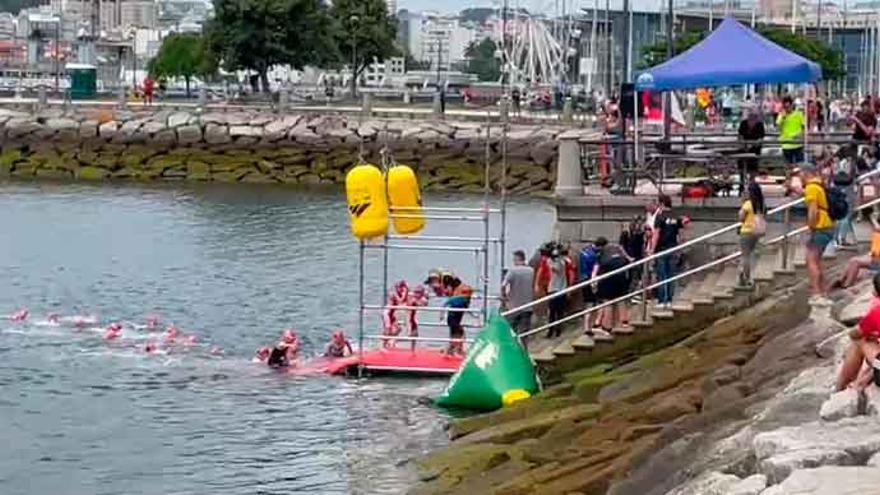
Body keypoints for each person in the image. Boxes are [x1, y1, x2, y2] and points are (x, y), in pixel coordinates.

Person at [836, 272, 880, 391]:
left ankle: (840, 387)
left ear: (876, 292)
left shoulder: (877, 312)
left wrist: (870, 333)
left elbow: (854, 334)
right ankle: (861, 381)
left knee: (860, 341)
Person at [801, 163, 836, 306]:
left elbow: (813, 211)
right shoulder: (819, 185)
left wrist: (810, 228)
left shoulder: (811, 188)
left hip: (820, 227)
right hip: (827, 226)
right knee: (817, 261)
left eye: (800, 173)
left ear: (806, 173)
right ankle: (823, 292)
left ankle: (816, 294)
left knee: (810, 260)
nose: (799, 176)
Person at [649, 195, 687, 308]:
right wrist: (680, 247)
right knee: (671, 275)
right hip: (673, 248)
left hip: (661, 249)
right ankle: (670, 299)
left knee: (662, 275)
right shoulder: (675, 215)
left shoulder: (660, 216)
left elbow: (656, 234)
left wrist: (651, 250)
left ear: (661, 203)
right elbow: (681, 233)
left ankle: (662, 300)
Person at [832, 212, 880, 290]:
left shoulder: (878, 231)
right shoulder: (877, 233)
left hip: (877, 260)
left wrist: (872, 218)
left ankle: (848, 284)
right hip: (875, 257)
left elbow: (877, 227)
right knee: (852, 260)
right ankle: (841, 280)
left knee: (855, 262)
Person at [593, 237, 632, 333]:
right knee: (621, 299)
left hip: (608, 277)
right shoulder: (618, 248)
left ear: (600, 246)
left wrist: (594, 281)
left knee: (608, 302)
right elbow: (628, 259)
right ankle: (624, 322)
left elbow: (596, 268)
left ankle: (607, 327)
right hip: (621, 276)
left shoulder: (601, 253)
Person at [738, 179, 766, 287]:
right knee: (753, 254)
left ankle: (746, 277)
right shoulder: (761, 204)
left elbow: (741, 218)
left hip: (746, 231)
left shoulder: (747, 204)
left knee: (745, 255)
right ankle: (748, 275)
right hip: (757, 231)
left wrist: (742, 202)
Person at [502, 250, 535, 336]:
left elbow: (503, 285)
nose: (513, 261)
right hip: (528, 306)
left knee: (512, 331)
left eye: (514, 259)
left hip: (514, 306)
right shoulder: (531, 271)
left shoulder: (513, 271)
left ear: (517, 259)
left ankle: (513, 344)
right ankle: (523, 344)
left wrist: (504, 297)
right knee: (524, 332)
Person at [777, 96, 805, 192]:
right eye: (785, 106)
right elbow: (778, 127)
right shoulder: (781, 115)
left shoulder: (799, 114)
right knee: (788, 168)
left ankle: (799, 185)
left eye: (788, 106)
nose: (787, 108)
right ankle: (789, 186)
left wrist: (801, 135)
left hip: (797, 144)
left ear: (792, 105)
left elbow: (803, 127)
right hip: (786, 145)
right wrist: (783, 117)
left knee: (799, 166)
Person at [737, 107, 766, 193]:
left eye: (754, 115)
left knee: (753, 169)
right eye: (750, 115)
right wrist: (744, 144)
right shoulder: (743, 123)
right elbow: (740, 136)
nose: (752, 116)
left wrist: (752, 144)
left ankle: (751, 186)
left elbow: (761, 138)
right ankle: (741, 185)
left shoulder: (760, 125)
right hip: (743, 149)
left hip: (755, 150)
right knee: (742, 168)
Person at [833, 154, 858, 248]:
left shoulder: (837, 165)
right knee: (845, 218)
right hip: (847, 194)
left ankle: (838, 239)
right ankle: (840, 239)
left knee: (840, 218)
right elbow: (853, 177)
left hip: (839, 195)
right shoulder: (850, 165)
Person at [443, 275, 472, 355]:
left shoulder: (459, 292)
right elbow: (450, 301)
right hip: (454, 315)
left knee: (456, 332)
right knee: (457, 332)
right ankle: (453, 349)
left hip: (455, 314)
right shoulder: (458, 294)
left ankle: (453, 349)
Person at [545, 245, 568, 338]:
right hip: (553, 289)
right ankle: (550, 330)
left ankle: (558, 329)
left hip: (561, 288)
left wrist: (558, 259)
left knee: (560, 311)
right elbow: (554, 268)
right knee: (552, 311)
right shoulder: (550, 261)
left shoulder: (563, 262)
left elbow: (558, 269)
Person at [382, 280, 410, 347]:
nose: (402, 290)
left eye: (403, 288)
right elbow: (400, 301)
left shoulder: (400, 294)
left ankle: (391, 342)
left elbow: (405, 301)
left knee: (398, 328)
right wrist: (406, 292)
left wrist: (407, 291)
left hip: (391, 314)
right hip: (387, 313)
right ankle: (383, 345)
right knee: (388, 328)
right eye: (401, 288)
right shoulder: (394, 293)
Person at [407, 285, 428, 351]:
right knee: (411, 333)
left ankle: (412, 349)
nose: (417, 294)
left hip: (415, 318)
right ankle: (390, 342)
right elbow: (410, 304)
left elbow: (425, 304)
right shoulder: (412, 298)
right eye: (416, 292)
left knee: (415, 334)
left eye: (418, 292)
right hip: (410, 317)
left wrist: (425, 297)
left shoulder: (422, 299)